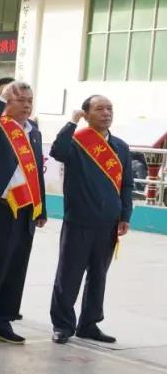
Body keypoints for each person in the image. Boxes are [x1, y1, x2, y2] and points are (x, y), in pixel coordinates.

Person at [49, 96, 133, 344]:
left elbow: (127, 184)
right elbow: (58, 152)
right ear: (86, 114)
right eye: (99, 109)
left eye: (109, 108)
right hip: (79, 220)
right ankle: (63, 325)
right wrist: (71, 122)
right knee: (69, 275)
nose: (106, 113)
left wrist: (125, 215)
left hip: (109, 222)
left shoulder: (120, 147)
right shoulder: (76, 141)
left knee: (98, 275)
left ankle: (89, 323)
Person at [0, 81, 47, 347]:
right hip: (0, 207)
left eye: (29, 100)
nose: (26, 105)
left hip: (27, 208)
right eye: (20, 100)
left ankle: (3, 320)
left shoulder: (33, 132)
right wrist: (0, 100)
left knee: (16, 267)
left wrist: (41, 207)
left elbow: (36, 170)